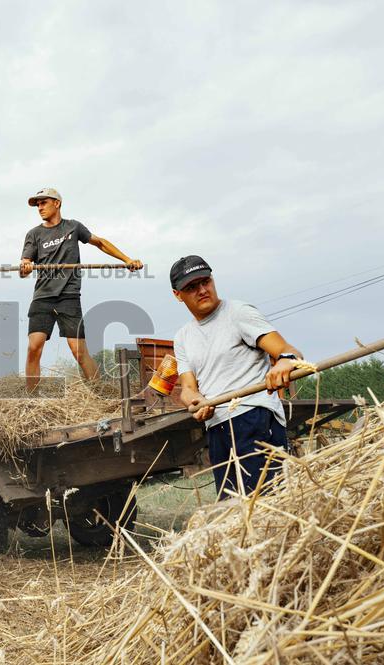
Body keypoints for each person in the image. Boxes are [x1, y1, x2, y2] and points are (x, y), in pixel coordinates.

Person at [171, 255, 303, 500]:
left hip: (254, 417)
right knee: (232, 510)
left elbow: (289, 351)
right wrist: (195, 401)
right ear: (177, 295)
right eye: (191, 287)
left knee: (267, 504)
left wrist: (283, 363)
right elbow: (187, 389)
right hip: (217, 427)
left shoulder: (238, 313)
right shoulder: (183, 337)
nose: (202, 290)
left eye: (205, 281)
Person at [21, 187, 143, 393]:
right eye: (37, 204)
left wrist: (127, 260)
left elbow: (101, 243)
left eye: (43, 203)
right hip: (43, 297)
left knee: (78, 350)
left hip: (68, 297)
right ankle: (31, 400)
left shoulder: (73, 227)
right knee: (34, 347)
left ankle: (101, 395)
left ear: (56, 203)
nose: (39, 207)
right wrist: (25, 267)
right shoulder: (34, 234)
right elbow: (24, 267)